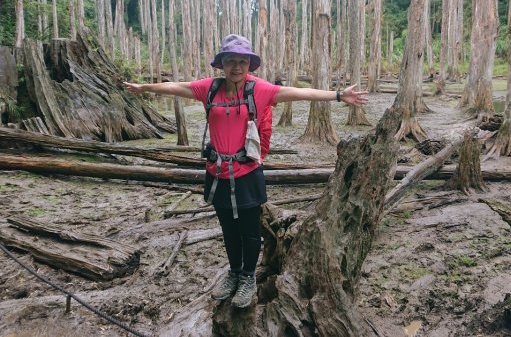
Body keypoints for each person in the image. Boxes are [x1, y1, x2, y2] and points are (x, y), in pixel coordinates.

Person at [123, 34, 367, 309]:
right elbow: (176, 87)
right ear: (222, 64)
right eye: (230, 61)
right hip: (217, 173)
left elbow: (299, 93)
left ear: (249, 64)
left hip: (247, 173)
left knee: (250, 230)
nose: (236, 67)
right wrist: (145, 87)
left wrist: (337, 95)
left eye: (242, 61)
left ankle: (249, 277)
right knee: (228, 228)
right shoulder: (210, 89)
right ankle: (235, 272)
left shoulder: (258, 90)